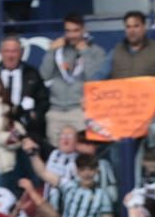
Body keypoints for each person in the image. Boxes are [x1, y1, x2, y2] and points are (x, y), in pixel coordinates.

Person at [39, 13, 107, 145]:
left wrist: (85, 52)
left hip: (80, 111)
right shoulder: (58, 51)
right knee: (56, 152)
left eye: (76, 31)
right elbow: (44, 75)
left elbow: (94, 80)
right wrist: (51, 51)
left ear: (84, 30)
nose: (72, 35)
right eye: (68, 31)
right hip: (56, 111)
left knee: (83, 153)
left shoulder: (96, 52)